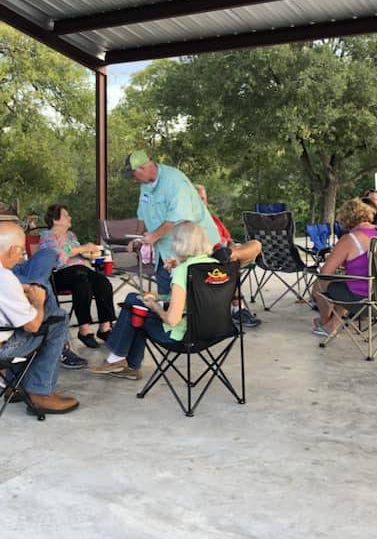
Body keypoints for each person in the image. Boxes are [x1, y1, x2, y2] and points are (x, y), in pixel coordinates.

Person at [0, 198, 87, 369]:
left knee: (47, 254)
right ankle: (62, 346)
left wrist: (16, 262)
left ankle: (35, 284)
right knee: (55, 309)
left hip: (15, 268)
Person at [0, 222, 79, 414]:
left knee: (19, 320)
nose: (21, 258)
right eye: (21, 252)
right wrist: (38, 303)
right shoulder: (5, 278)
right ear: (13, 249)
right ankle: (40, 393)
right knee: (58, 319)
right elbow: (33, 326)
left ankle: (16, 385)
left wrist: (20, 290)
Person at [89, 220, 215, 381]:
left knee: (134, 309)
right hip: (211, 331)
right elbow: (195, 298)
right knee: (135, 300)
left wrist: (155, 306)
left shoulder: (184, 271)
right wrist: (160, 297)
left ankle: (119, 359)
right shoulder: (214, 266)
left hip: (183, 335)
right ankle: (128, 364)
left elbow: (172, 319)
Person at [122, 150, 219, 296]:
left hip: (193, 248)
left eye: (134, 174)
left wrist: (154, 236)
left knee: (193, 298)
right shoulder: (145, 186)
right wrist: (138, 239)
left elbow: (177, 219)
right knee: (165, 296)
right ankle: (168, 317)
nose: (133, 179)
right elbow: (142, 216)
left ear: (143, 168)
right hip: (166, 251)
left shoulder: (175, 181)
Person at [311, 198, 377, 338]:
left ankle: (324, 323)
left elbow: (325, 273)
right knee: (354, 283)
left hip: (365, 299)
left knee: (321, 283)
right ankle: (332, 324)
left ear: (346, 219)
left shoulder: (350, 239)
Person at [39, 204, 114, 347]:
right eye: (66, 215)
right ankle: (84, 329)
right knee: (81, 280)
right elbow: (60, 257)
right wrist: (83, 248)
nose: (70, 217)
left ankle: (105, 327)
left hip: (80, 270)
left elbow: (78, 253)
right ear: (55, 220)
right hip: (58, 275)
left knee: (102, 281)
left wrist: (90, 254)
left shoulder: (71, 235)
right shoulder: (47, 236)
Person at [194, 184, 263, 327]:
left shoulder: (213, 219)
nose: (201, 202)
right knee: (231, 264)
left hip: (228, 255)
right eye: (196, 198)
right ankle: (237, 309)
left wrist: (231, 250)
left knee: (256, 244)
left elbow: (229, 239)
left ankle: (228, 255)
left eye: (203, 199)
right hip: (207, 260)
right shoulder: (188, 222)